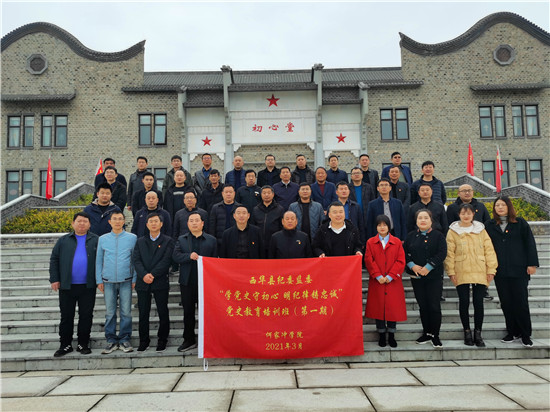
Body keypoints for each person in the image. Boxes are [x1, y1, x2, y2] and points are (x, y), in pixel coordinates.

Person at [485, 196, 539, 347]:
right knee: (506, 303)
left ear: (509, 206)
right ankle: (512, 331)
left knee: (521, 302)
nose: (500, 207)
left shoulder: (520, 223)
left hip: (519, 269)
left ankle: (525, 334)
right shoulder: (489, 225)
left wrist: (532, 264)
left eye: (503, 205)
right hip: (501, 270)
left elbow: (529, 243)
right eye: (497, 205)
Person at [444, 203, 497, 347]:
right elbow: (449, 253)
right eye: (463, 213)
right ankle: (467, 332)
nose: (466, 216)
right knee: (464, 302)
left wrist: (491, 269)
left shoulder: (481, 230)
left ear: (473, 214)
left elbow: (489, 250)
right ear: (459, 215)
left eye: (468, 213)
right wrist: (451, 271)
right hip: (461, 269)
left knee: (478, 302)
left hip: (480, 269)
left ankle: (478, 333)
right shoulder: (453, 231)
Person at [49, 212, 98, 357]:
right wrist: (54, 279)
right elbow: (54, 259)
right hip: (67, 285)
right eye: (79, 221)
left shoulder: (96, 240)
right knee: (66, 316)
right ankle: (65, 345)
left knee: (86, 316)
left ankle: (83, 343)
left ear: (89, 224)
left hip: (88, 286)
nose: (82, 224)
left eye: (85, 221)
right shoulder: (64, 240)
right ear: (73, 223)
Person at [173, 212, 217, 352]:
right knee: (188, 312)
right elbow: (175, 256)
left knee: (208, 312)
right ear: (187, 224)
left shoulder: (211, 240)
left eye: (197, 220)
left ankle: (209, 338)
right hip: (187, 282)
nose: (194, 223)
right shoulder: (182, 239)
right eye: (191, 221)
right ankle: (189, 339)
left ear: (202, 223)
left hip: (206, 282)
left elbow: (215, 260)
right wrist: (188, 256)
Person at [404, 209, 447, 348]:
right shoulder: (411, 236)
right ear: (416, 221)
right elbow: (404, 253)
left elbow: (442, 253)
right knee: (423, 306)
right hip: (416, 276)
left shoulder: (438, 236)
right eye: (420, 218)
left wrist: (428, 267)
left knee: (434, 305)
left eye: (426, 218)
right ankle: (426, 333)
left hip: (434, 276)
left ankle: (435, 335)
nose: (423, 220)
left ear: (431, 220)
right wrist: (412, 266)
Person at [132, 213, 175, 353]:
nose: (154, 224)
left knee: (163, 311)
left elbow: (166, 260)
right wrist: (144, 274)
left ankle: (162, 340)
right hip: (143, 281)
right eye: (151, 221)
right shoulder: (140, 241)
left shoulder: (168, 241)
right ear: (147, 224)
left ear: (161, 224)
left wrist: (153, 274)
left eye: (156, 221)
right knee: (143, 313)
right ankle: (144, 341)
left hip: (160, 280)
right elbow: (136, 260)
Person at [95, 211, 137, 354]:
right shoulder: (103, 239)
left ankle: (125, 339)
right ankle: (111, 340)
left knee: (126, 312)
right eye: (115, 219)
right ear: (110, 222)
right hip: (108, 281)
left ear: (124, 221)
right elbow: (99, 261)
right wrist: (99, 279)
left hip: (126, 280)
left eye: (120, 219)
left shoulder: (132, 238)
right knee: (110, 312)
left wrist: (134, 278)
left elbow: (135, 260)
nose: (117, 221)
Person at [364, 214, 407, 348]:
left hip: (392, 281)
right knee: (378, 307)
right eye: (379, 225)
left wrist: (390, 276)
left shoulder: (397, 242)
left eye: (384, 225)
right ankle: (381, 334)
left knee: (393, 308)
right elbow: (368, 260)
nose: (382, 227)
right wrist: (378, 276)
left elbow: (400, 261)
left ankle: (392, 334)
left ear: (389, 227)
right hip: (377, 281)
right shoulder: (371, 242)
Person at [446, 183, 493, 301]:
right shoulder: (452, 208)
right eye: (464, 191)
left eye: (469, 190)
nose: (467, 192)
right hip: (461, 249)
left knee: (479, 301)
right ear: (458, 193)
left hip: (478, 249)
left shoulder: (480, 206)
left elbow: (487, 223)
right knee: (464, 300)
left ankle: (484, 290)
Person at [252, 186, 285, 256]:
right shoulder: (256, 209)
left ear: (273, 194)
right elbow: (253, 226)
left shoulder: (279, 209)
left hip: (274, 243)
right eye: (264, 193)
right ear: (261, 195)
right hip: (259, 243)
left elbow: (282, 227)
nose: (266, 195)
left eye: (269, 193)